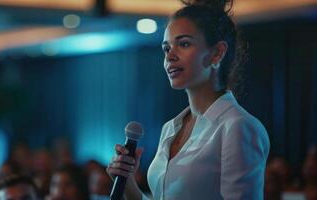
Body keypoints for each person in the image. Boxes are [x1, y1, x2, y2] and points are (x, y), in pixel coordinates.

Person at [106, 0, 270, 199]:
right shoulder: (170, 128)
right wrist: (128, 182)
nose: (170, 56)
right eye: (166, 48)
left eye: (183, 44)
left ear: (217, 53)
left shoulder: (238, 127)